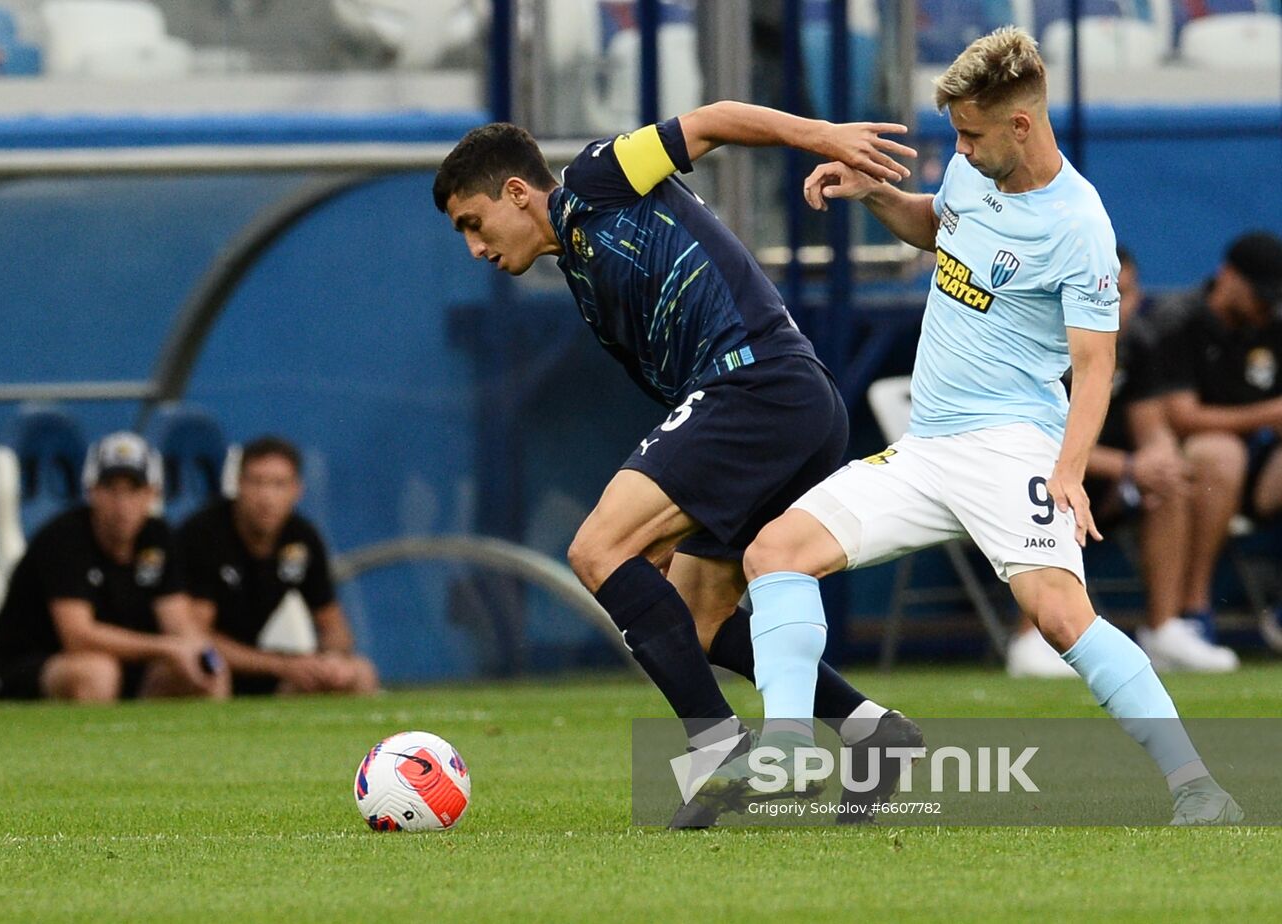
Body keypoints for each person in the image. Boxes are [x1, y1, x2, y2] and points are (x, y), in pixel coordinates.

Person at [732, 27, 1240, 823]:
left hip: (1011, 447)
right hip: (927, 447)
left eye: (971, 134)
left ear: (1022, 126)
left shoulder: (1079, 226)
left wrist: (1069, 471)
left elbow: (1095, 365)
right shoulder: (973, 176)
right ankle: (789, 751)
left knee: (1062, 615)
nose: (959, 150)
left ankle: (1197, 787)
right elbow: (938, 227)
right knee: (775, 552)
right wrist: (874, 195)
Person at [434, 100, 923, 826]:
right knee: (694, 617)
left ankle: (718, 749)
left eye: (471, 223)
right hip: (775, 403)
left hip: (755, 386)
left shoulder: (595, 181)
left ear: (514, 192)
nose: (474, 247)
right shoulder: (581, 268)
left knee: (597, 548)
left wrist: (820, 136)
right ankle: (873, 733)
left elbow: (715, 119)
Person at [1006, 246, 1240, 675]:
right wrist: (1131, 467)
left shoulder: (1137, 344)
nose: (1115, 306)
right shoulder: (1032, 347)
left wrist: (1159, 459)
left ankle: (1164, 629)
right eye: (1103, 292)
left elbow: (1151, 428)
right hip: (1016, 480)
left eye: (1126, 294)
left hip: (1102, 484)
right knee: (1051, 486)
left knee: (1167, 483)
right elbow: (1033, 444)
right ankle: (1031, 638)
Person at [0, 432, 227, 702]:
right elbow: (78, 636)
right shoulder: (64, 539)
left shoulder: (158, 537)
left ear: (151, 494)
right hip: (25, 666)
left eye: (133, 490)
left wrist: (200, 654)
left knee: (205, 668)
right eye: (111, 489)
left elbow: (178, 621)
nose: (122, 505)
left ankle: (197, 744)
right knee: (97, 672)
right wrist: (168, 648)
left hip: (123, 667)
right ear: (91, 492)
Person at [1152, 231, 1282, 643]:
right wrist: (1269, 413)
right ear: (1228, 276)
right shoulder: (1179, 319)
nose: (1264, 306)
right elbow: (1182, 416)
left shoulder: (1273, 323)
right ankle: (1195, 608)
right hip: (1187, 468)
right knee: (1219, 453)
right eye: (1258, 293)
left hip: (1264, 470)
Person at [178, 436, 379, 696]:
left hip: (268, 669)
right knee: (210, 672)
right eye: (257, 482)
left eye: (279, 484)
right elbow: (196, 638)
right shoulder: (204, 534)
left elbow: (333, 625)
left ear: (297, 490)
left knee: (360, 673)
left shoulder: (302, 538)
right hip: (215, 665)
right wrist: (282, 665)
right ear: (238, 485)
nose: (267, 496)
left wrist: (331, 660)